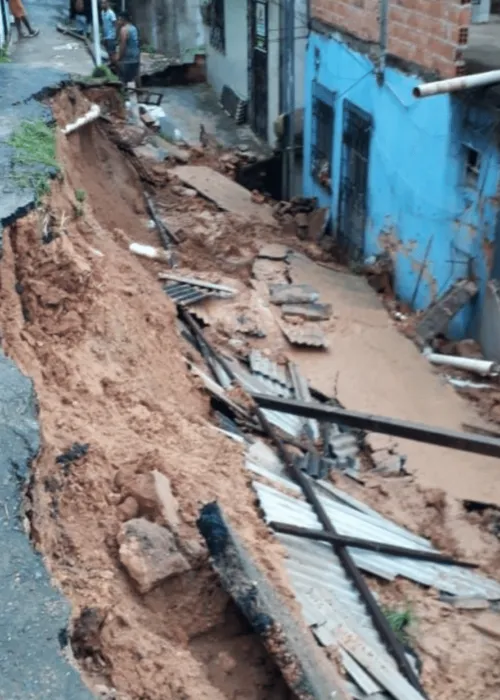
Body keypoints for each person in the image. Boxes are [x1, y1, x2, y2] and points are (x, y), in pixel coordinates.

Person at [114, 11, 140, 86]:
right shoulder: (133, 28)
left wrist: (119, 57)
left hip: (127, 59)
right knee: (133, 78)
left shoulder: (124, 30)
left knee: (124, 80)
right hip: (135, 57)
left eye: (118, 19)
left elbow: (123, 45)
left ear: (122, 19)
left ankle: (125, 94)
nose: (117, 21)